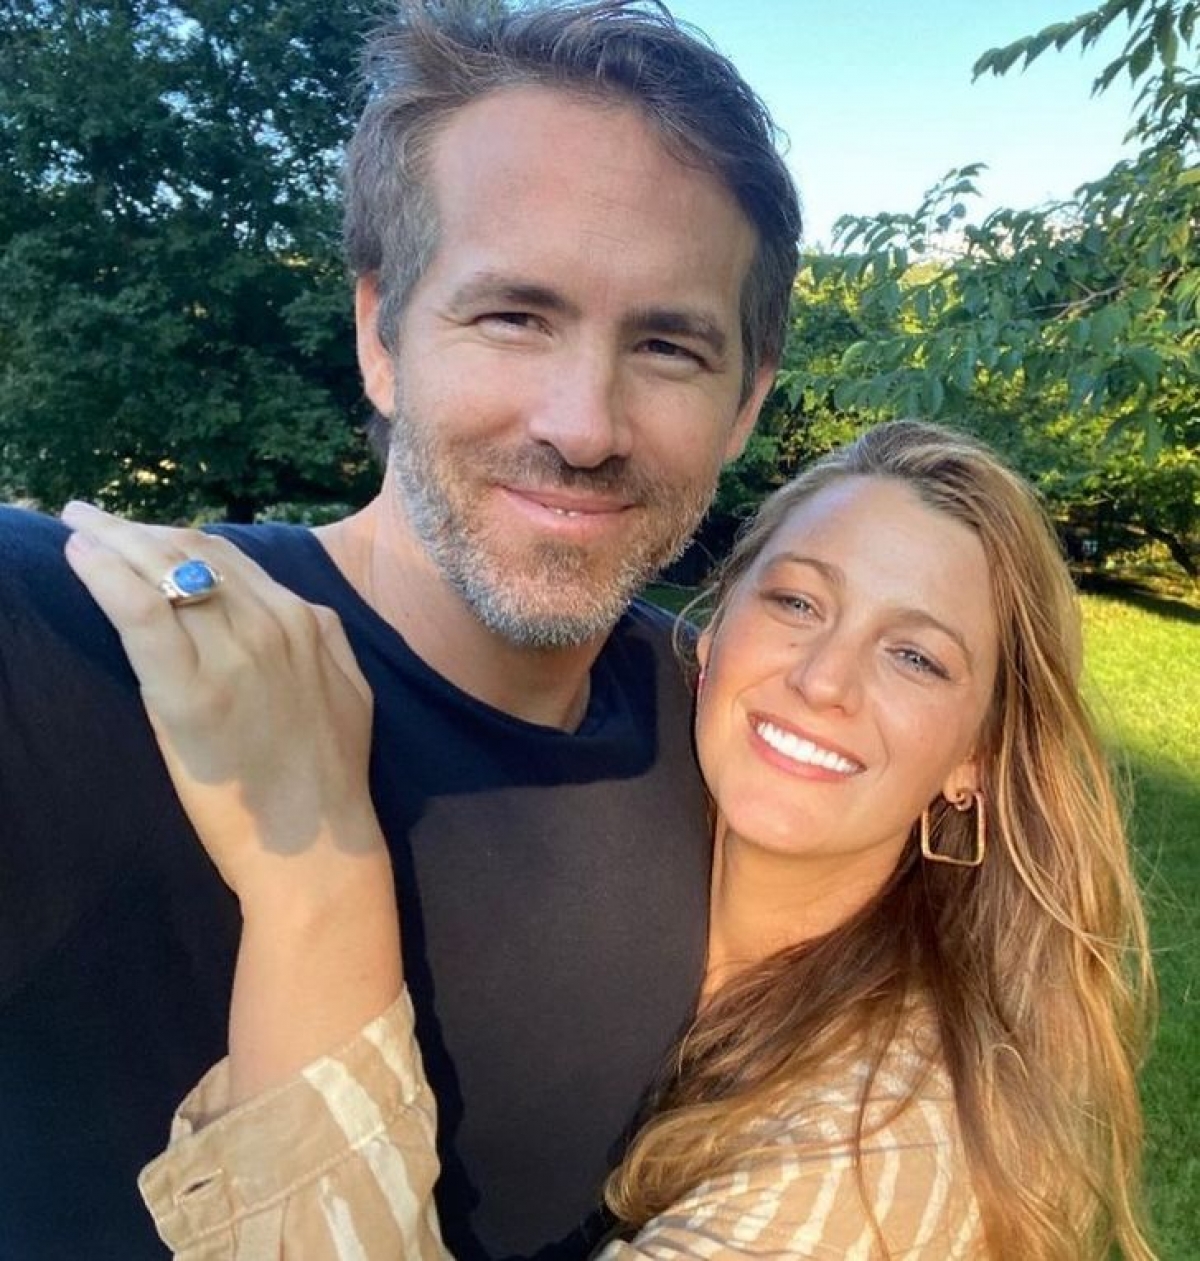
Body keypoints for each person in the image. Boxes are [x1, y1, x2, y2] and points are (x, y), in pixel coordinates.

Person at [0, 3, 800, 1258]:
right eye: (514, 315)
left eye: (667, 344)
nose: (584, 425)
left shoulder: (721, 716)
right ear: (381, 334)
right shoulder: (94, 645)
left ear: (744, 402)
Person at [65, 420, 1156, 1260]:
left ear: (976, 756)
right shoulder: (661, 881)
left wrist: (313, 876)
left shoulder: (893, 1148)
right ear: (713, 630)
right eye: (796, 602)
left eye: (916, 657)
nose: (825, 680)